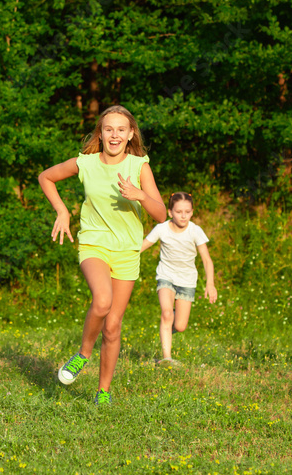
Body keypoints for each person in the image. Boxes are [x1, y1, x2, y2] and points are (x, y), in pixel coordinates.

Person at [38, 105, 167, 405]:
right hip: (94, 244)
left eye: (121, 129)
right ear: (100, 132)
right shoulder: (85, 163)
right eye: (108, 129)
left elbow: (161, 214)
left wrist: (141, 196)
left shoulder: (139, 166)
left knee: (112, 326)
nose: (114, 135)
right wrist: (62, 210)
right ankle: (82, 355)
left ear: (131, 133)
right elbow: (46, 177)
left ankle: (103, 392)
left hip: (127, 251)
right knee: (102, 301)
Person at [140, 192, 217, 365]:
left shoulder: (195, 231)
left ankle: (167, 326)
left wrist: (210, 284)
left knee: (180, 326)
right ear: (170, 212)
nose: (183, 216)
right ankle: (167, 358)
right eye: (179, 211)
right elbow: (142, 246)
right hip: (166, 277)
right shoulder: (162, 229)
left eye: (187, 212)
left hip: (187, 281)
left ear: (192, 212)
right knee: (166, 313)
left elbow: (206, 259)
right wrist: (120, 255)